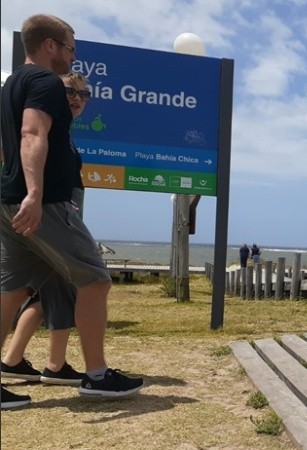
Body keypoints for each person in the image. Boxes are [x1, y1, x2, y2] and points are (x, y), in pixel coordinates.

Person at [0, 14, 143, 410]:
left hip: (10, 200)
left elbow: (7, 146)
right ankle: (98, 376)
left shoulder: (12, 84)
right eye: (70, 48)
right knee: (95, 280)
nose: (72, 56)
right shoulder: (44, 82)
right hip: (42, 204)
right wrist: (34, 193)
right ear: (49, 45)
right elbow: (32, 134)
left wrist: (16, 190)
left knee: (11, 290)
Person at [1, 72, 91, 387]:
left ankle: (15, 360)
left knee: (38, 290)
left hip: (55, 214)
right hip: (48, 216)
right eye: (69, 90)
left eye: (84, 93)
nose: (77, 97)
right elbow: (15, 160)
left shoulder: (60, 131)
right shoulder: (40, 128)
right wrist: (50, 203)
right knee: (65, 286)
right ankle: (53, 365)